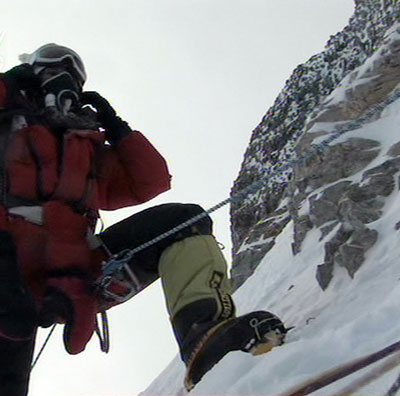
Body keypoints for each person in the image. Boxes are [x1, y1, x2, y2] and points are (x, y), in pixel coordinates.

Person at [0, 43, 286, 395]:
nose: (64, 84)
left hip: (72, 276)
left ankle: (207, 340)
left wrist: (116, 127)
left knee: (184, 222)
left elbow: (148, 182)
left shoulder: (82, 145)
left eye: (73, 79)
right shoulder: (8, 115)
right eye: (55, 73)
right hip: (9, 267)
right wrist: (12, 85)